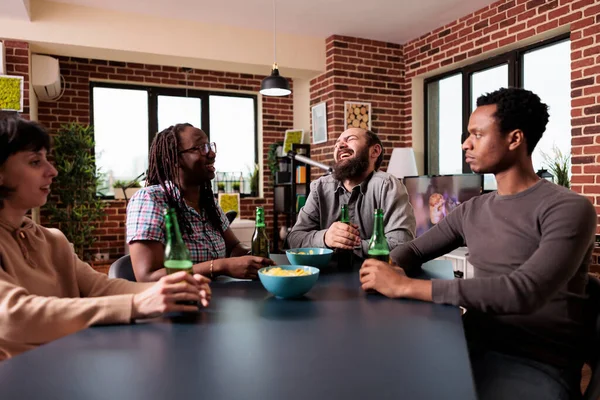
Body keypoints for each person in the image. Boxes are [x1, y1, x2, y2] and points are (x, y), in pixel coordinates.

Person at [360, 88, 595, 399]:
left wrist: (404, 286)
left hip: (535, 361)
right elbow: (415, 249)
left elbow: (524, 291)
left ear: (515, 139)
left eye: (477, 135)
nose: (465, 144)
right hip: (469, 343)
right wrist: (391, 266)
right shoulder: (473, 209)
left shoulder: (568, 208)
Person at [0, 117, 211, 361]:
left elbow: (101, 288)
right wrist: (137, 304)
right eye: (35, 162)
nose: (52, 171)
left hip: (67, 368)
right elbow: (13, 317)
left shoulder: (53, 240)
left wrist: (173, 291)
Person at [126, 123, 274, 282]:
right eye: (200, 147)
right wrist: (221, 266)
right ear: (175, 159)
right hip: (179, 303)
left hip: (218, 297)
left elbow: (234, 248)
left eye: (209, 146)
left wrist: (253, 257)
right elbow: (147, 276)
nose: (211, 153)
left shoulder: (208, 203)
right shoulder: (150, 199)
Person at [287, 128, 415, 258]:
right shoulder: (319, 187)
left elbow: (402, 244)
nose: (340, 145)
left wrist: (345, 244)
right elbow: (294, 239)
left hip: (375, 275)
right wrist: (325, 238)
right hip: (326, 275)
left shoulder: (388, 186)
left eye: (351, 139)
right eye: (337, 144)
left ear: (374, 151)